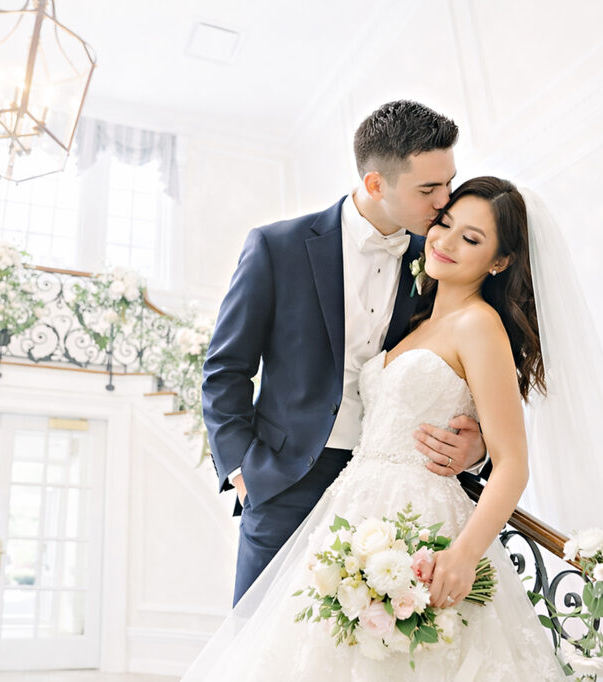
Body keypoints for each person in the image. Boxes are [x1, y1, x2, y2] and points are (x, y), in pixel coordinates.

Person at [184, 177, 567, 679]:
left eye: (471, 239)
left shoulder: (479, 324)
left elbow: (512, 462)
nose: (445, 241)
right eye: (445, 223)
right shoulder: (421, 315)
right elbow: (227, 369)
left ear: (500, 261)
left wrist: (464, 552)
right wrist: (240, 468)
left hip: (419, 516)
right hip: (345, 505)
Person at [202, 101, 488, 605]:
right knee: (258, 642)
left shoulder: (441, 258)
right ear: (377, 184)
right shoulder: (278, 247)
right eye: (429, 189)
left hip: (397, 489)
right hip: (285, 480)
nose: (446, 202)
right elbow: (226, 369)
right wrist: (245, 472)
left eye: (449, 183)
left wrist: (480, 447)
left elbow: (472, 363)